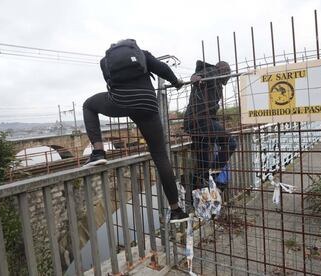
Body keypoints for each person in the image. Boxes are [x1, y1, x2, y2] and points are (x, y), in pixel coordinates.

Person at [83, 39, 189, 223]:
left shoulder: (105, 61)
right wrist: (176, 81)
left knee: (88, 105)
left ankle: (99, 152)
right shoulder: (142, 54)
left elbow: (110, 82)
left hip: (121, 102)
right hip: (147, 105)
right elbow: (162, 69)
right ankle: (176, 210)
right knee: (160, 156)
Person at [183, 60, 237, 190]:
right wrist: (197, 79)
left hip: (193, 123)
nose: (227, 79)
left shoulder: (216, 82)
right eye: (228, 75)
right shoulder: (213, 71)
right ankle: (213, 173)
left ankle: (200, 191)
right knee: (230, 143)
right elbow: (200, 75)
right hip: (201, 120)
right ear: (224, 71)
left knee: (203, 161)